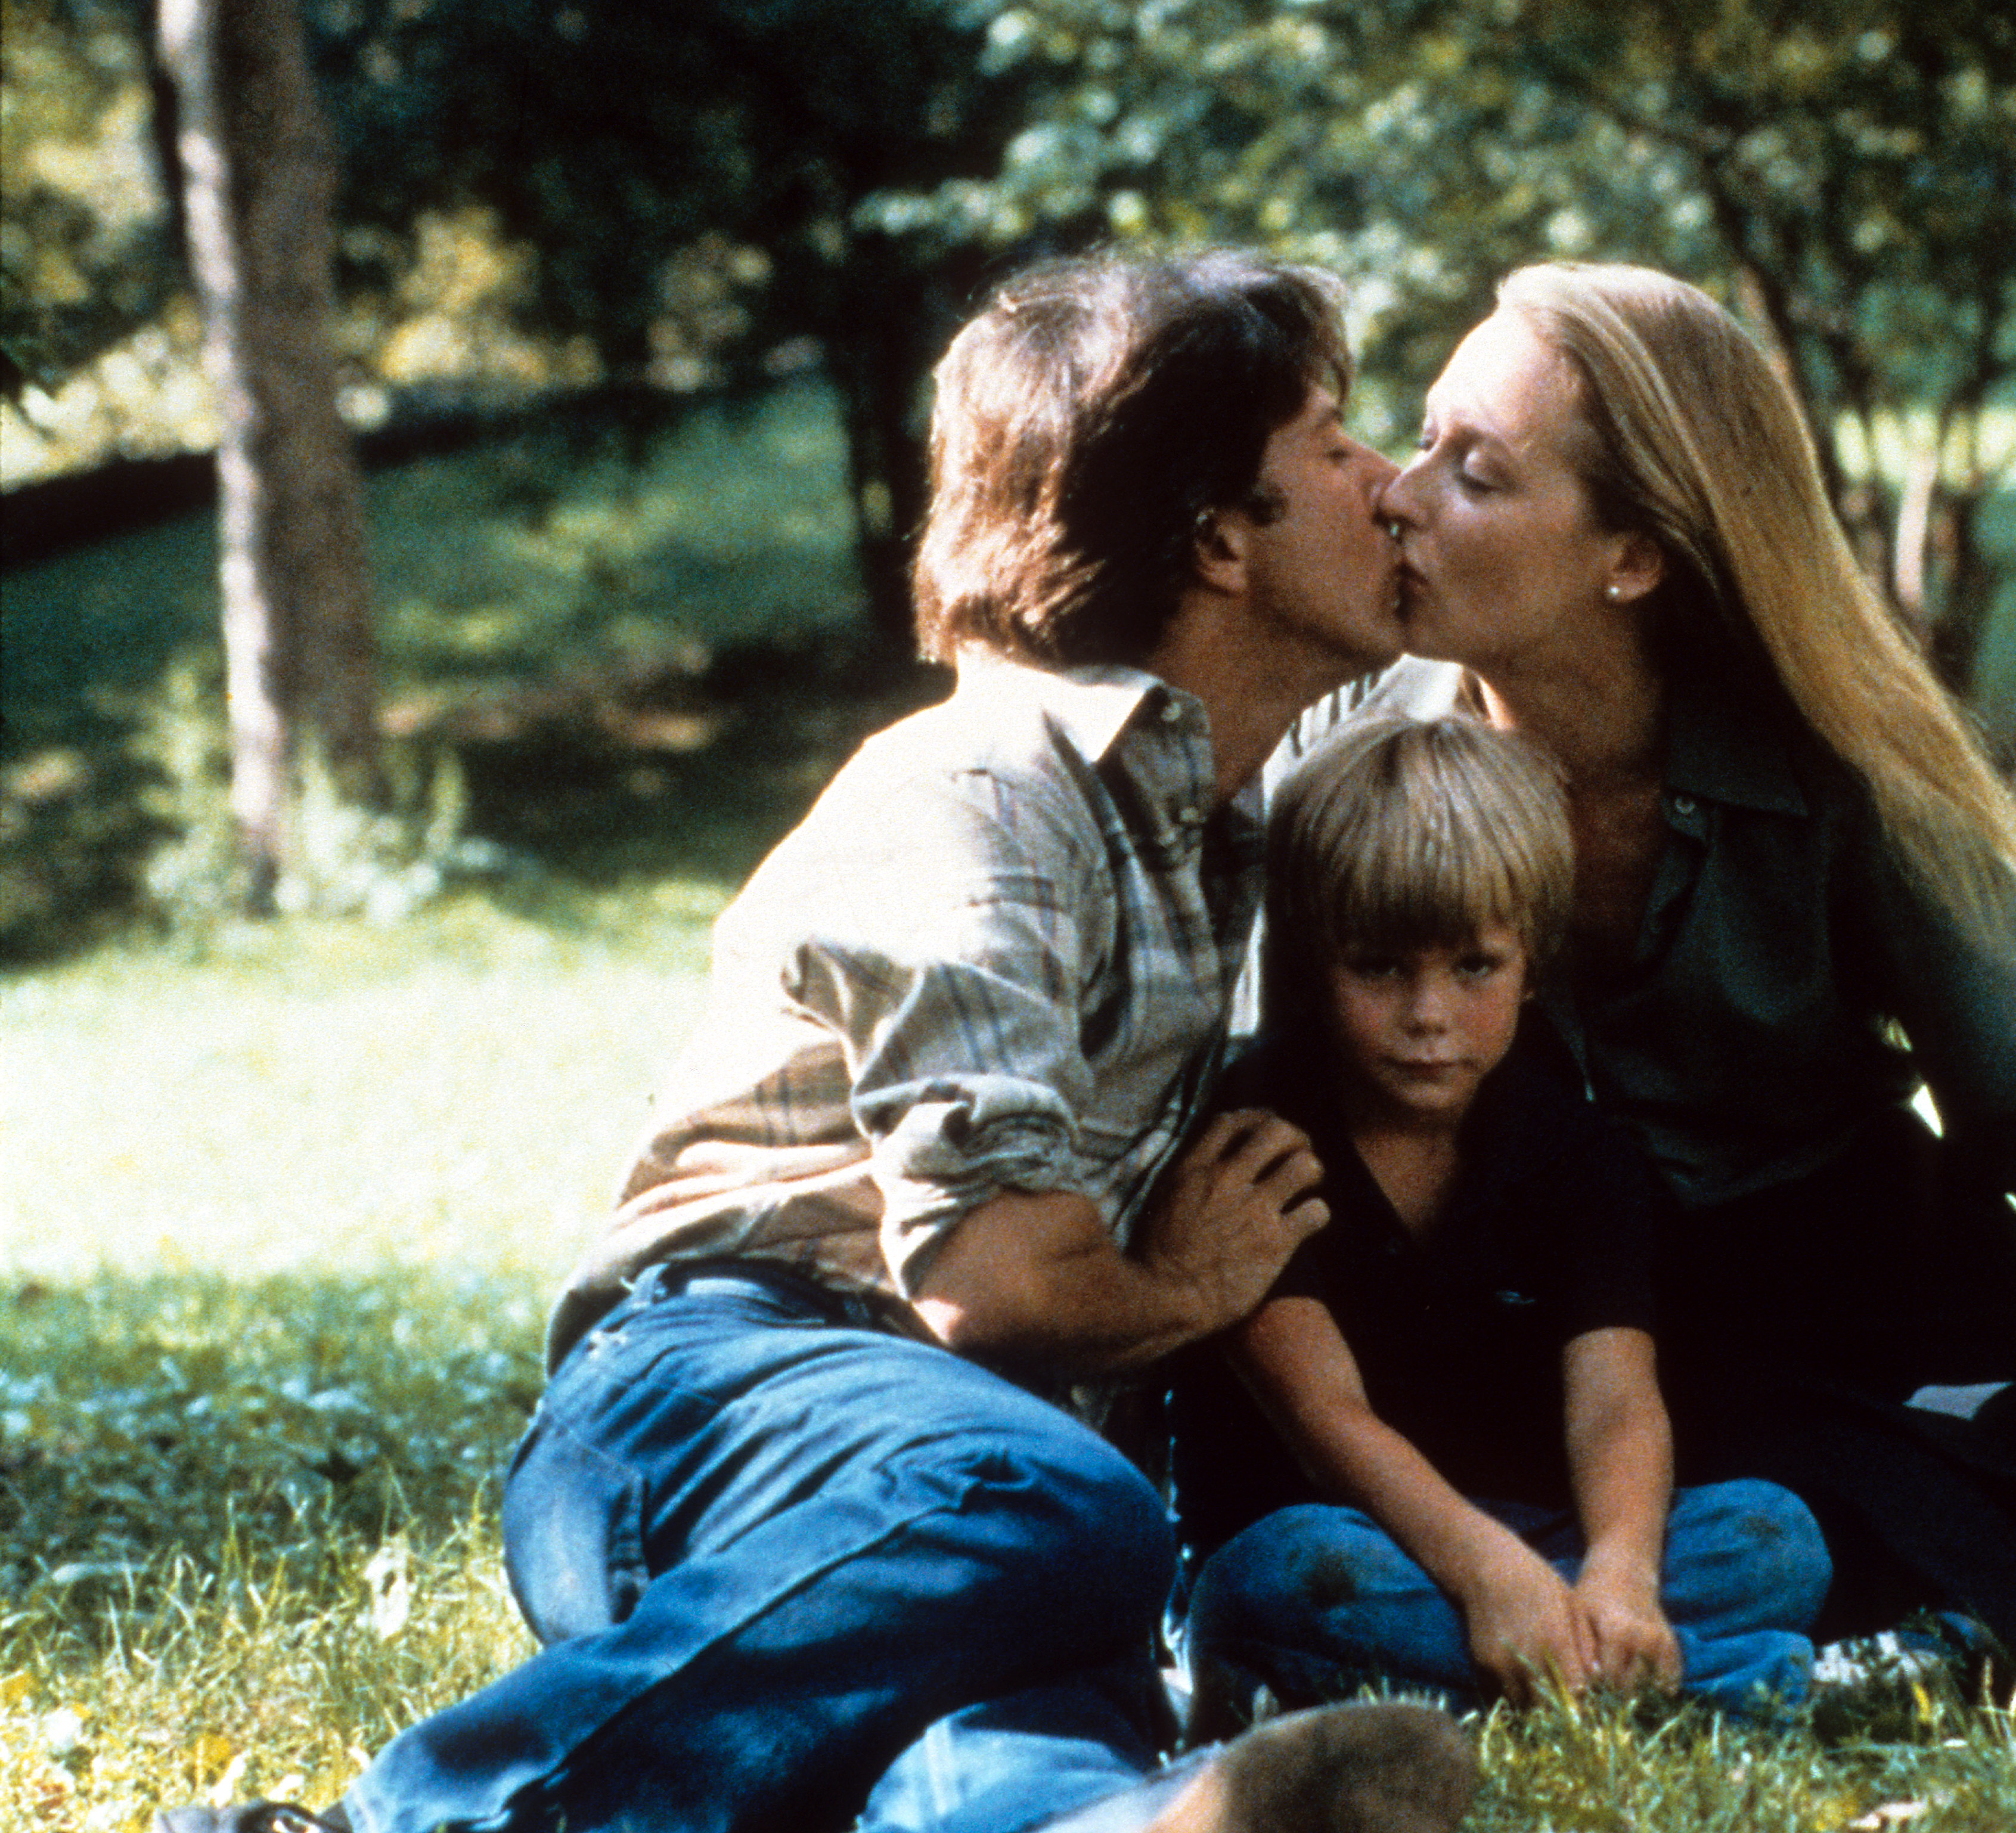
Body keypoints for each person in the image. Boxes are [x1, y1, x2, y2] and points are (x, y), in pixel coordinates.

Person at [163, 252, 1477, 1833]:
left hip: (952, 1502)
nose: (1390, 482)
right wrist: (1189, 1285)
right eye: (1337, 444)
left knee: (1021, 1701)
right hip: (706, 1401)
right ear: (1217, 540)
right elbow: (988, 1280)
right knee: (1061, 1512)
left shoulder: (1217, 814)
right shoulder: (989, 789)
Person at [1330, 261, 2016, 1679]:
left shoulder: (1838, 768)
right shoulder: (1366, 769)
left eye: (1476, 473)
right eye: (1421, 438)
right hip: (1571, 1329)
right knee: (1796, 1500)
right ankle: (1846, 1591)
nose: (1401, 491)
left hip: (1864, 1275)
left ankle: (1836, 1584)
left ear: (1633, 556)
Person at [1170, 714, 1832, 1729]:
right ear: (1311, 956)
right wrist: (1489, 1578)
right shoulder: (1258, 1140)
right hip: (1364, 1542)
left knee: (1774, 1534)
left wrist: (1620, 1575)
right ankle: (1737, 1684)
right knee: (1280, 1579)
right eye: (1380, 968)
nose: (1429, 1015)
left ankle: (1533, 1674)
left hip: (1544, 1540)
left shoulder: (1575, 1145)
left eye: (1474, 967)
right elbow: (1323, 1420)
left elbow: (1613, 1401)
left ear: (1534, 960)